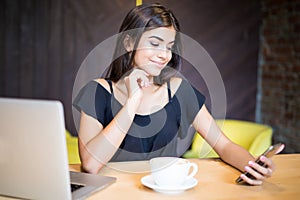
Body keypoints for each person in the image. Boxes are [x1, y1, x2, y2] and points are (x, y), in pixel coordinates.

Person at [73, 3, 283, 185]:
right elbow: (91, 165)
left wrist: (252, 166)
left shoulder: (180, 91)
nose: (164, 55)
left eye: (169, 47)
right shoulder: (97, 92)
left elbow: (224, 145)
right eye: (155, 44)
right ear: (129, 43)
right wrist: (132, 102)